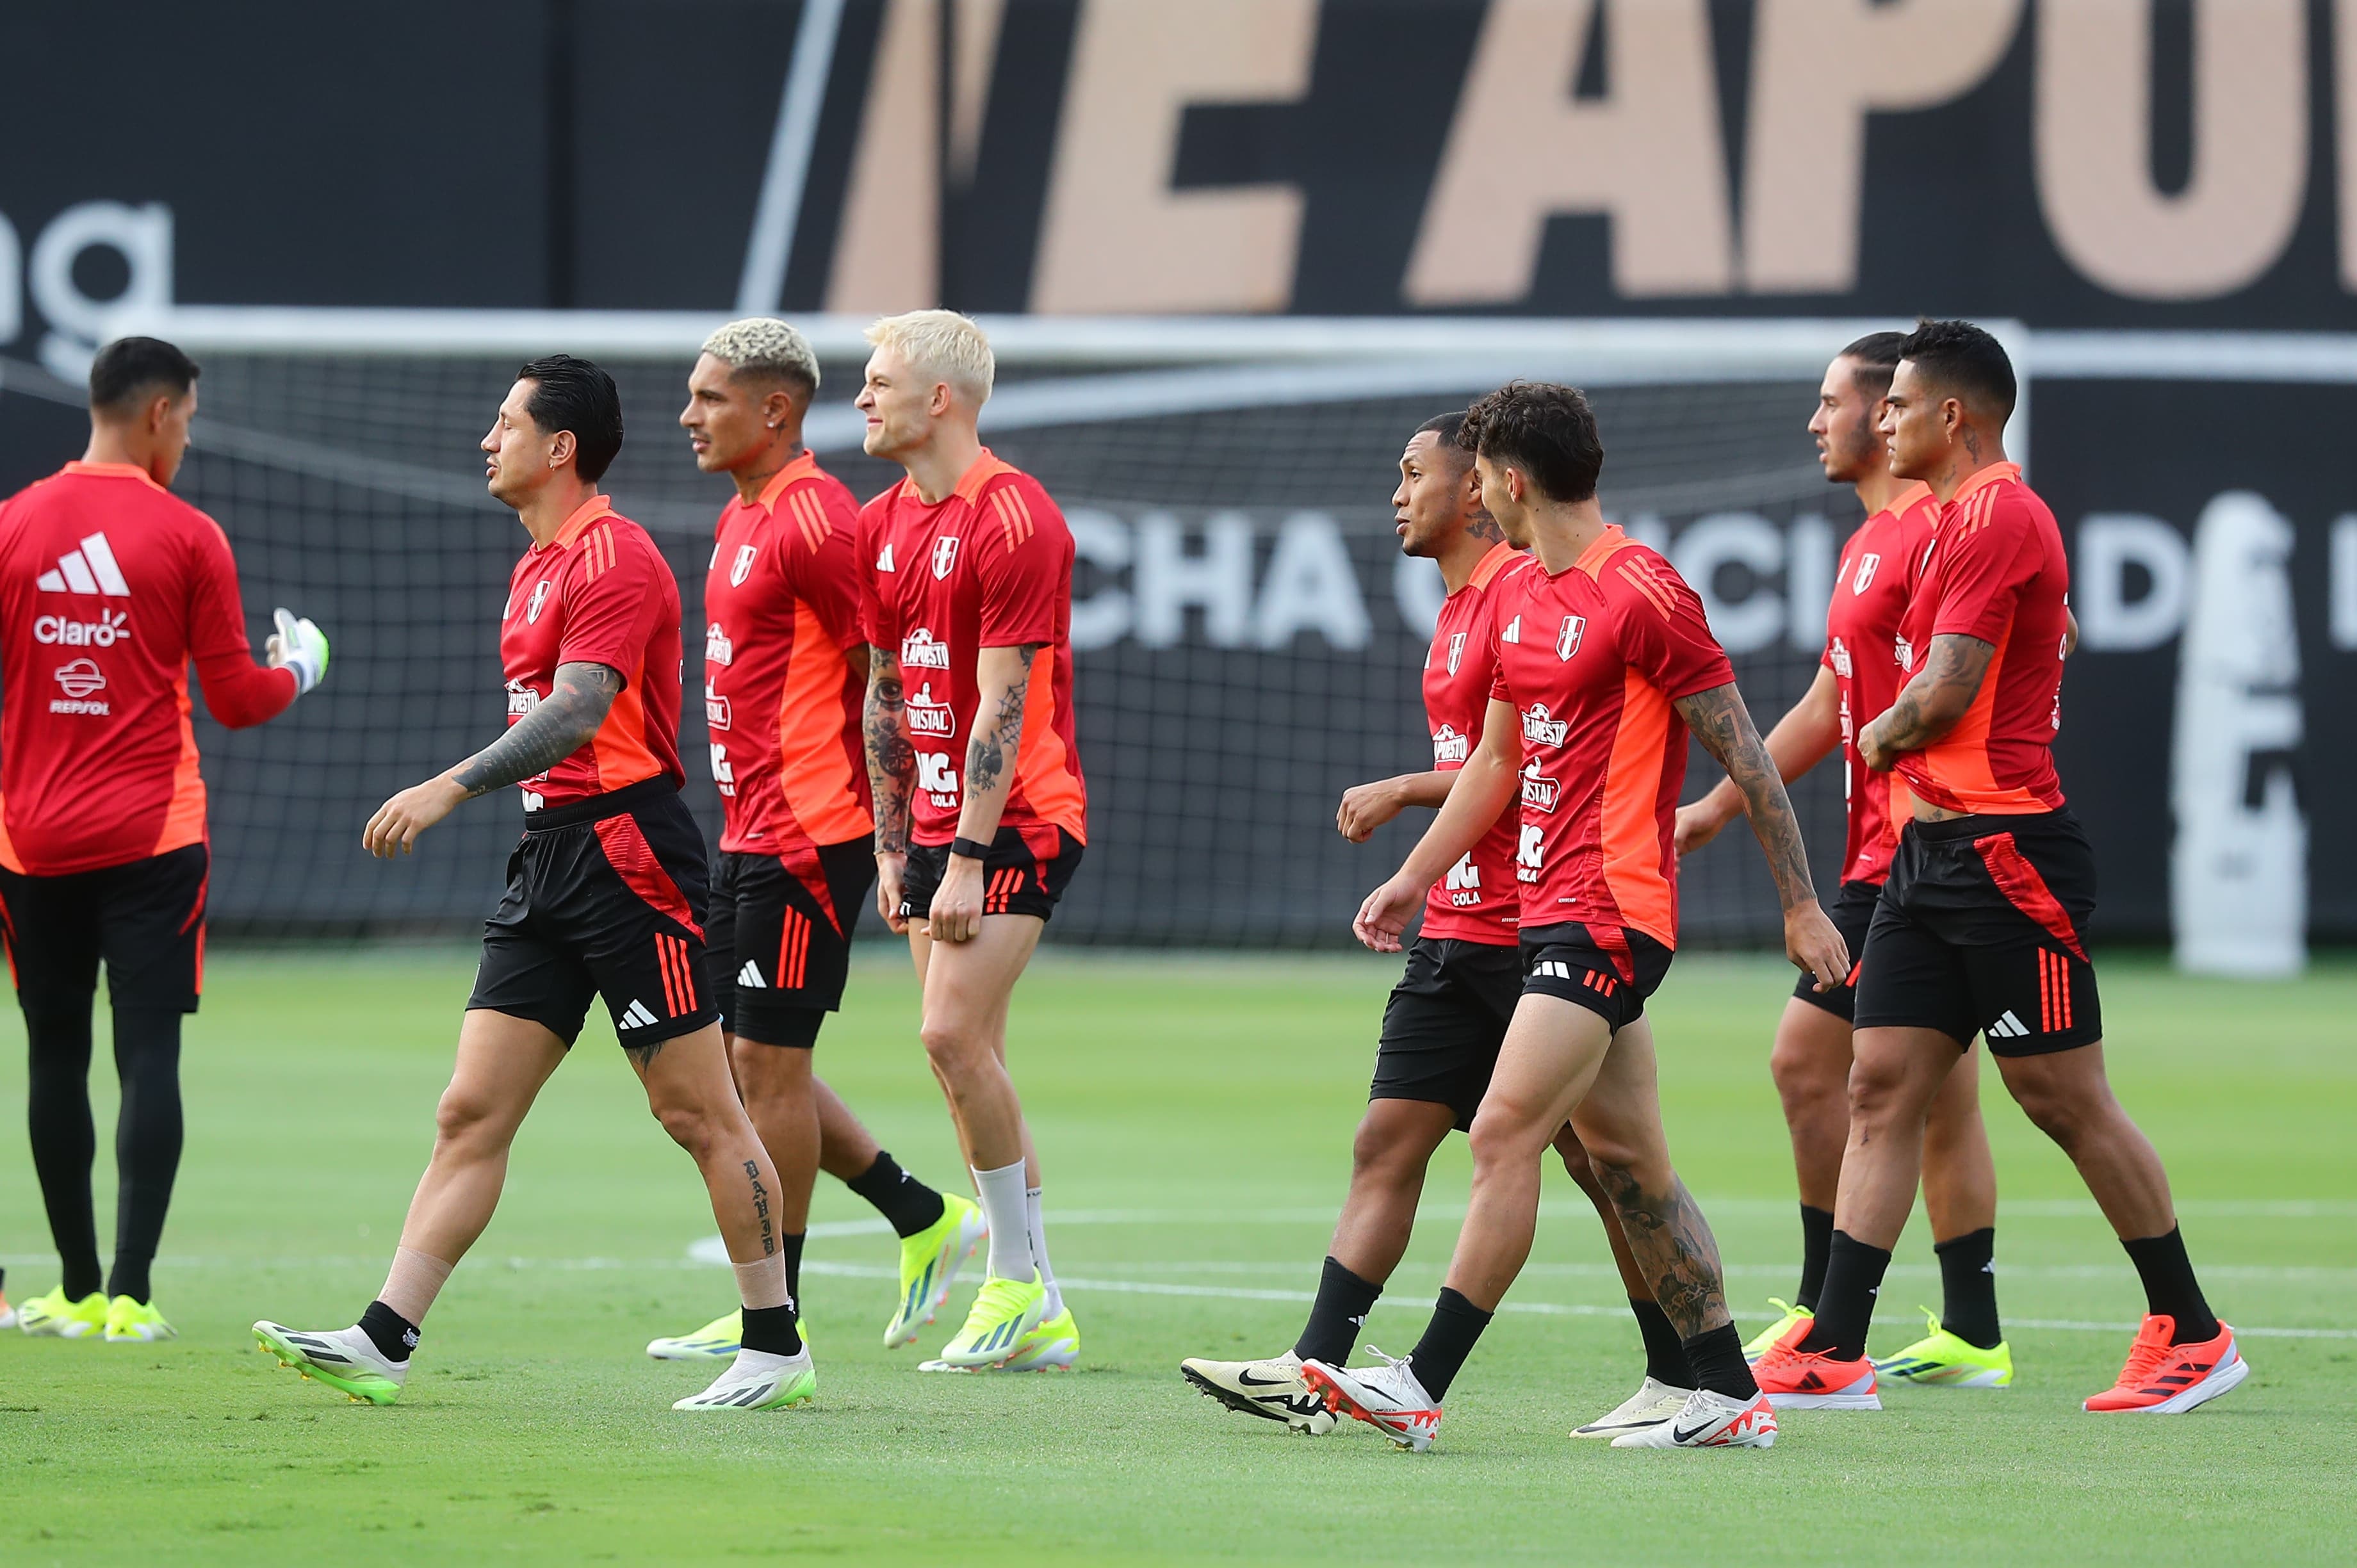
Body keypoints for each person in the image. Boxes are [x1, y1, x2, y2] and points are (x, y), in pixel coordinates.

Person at [253, 356, 811, 1412]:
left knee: (697, 1111)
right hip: (549, 855)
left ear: (561, 447)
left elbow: (579, 711)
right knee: (470, 1111)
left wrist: (447, 785)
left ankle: (775, 1345)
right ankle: (385, 1337)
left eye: (504, 423)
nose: (486, 439)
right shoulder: (536, 562)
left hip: (626, 855)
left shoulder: (618, 556)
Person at [1303, 381, 1847, 1453]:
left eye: (1481, 483)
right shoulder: (1520, 597)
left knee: (1504, 1131)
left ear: (1508, 481)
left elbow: (1748, 758)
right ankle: (1728, 1392)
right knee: (1633, 1167)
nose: (1475, 503)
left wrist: (1800, 906)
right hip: (1545, 913)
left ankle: (1419, 1383)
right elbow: (1496, 761)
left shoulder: (1645, 591)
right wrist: (1418, 875)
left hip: (1613, 912)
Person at [1752, 318, 2244, 1416]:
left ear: (1952, 415)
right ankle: (1835, 1344)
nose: (1882, 421)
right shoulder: (1942, 527)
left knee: (2061, 1098)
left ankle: (2193, 1331)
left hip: (2005, 853)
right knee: (1878, 1087)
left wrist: (1876, 738)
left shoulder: (2000, 515)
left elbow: (1946, 690)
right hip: (1926, 860)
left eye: (1896, 406)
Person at [1179, 412, 1700, 1442]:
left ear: (1481, 490)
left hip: (1530, 920)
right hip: (1461, 918)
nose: (1396, 493)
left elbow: (1526, 767)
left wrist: (1411, 806)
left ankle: (1685, 1371)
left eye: (1413, 474)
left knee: (1606, 1168)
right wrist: (1420, 837)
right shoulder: (1462, 604)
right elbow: (1494, 762)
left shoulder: (1530, 584)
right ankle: (1316, 1369)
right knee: (1392, 1137)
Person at [1675, 334, 2010, 1389]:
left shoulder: (1933, 531)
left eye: (1833, 402)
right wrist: (1722, 805)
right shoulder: (1873, 539)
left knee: (1810, 1063)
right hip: (1899, 853)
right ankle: (1973, 1330)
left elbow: (2027, 635)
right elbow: (1832, 703)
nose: (1816, 422)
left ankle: (1828, 1314)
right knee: (1938, 1091)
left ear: (1890, 415)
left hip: (1912, 855)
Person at [646, 318, 983, 1364]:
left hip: (811, 833)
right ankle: (916, 1210)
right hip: (749, 830)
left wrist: (893, 836)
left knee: (763, 1067)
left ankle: (771, 1319)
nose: (690, 415)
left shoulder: (818, 521)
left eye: (710, 397)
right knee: (744, 1067)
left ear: (775, 409)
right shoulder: (746, 516)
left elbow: (886, 675)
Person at [0, 336, 327, 1344]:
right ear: (158, 414)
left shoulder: (11, 526)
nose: (186, 437)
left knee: (53, 1054)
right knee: (148, 1055)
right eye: (187, 420)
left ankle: (75, 1288)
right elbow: (234, 699)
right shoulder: (188, 536)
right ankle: (134, 1299)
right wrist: (302, 668)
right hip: (154, 840)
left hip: (30, 842)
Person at [857, 310, 1088, 1372]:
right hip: (934, 830)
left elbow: (1004, 705)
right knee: (971, 1060)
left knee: (948, 1039)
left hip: (1019, 823)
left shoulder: (1016, 517)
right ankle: (1038, 1308)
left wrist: (966, 858)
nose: (862, 396)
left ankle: (1012, 1280)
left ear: (939, 398)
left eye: (880, 379)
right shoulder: (882, 525)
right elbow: (888, 695)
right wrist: (891, 844)